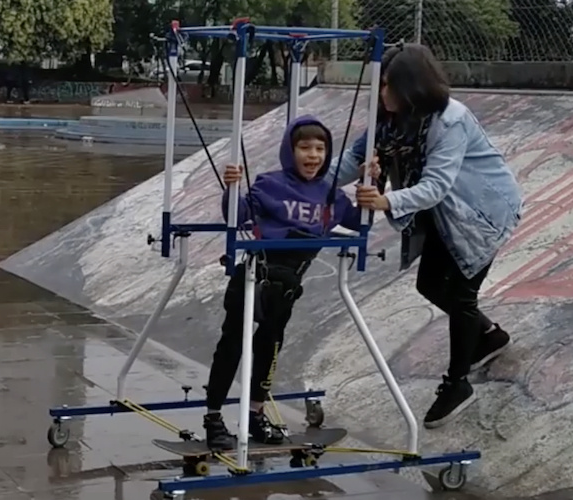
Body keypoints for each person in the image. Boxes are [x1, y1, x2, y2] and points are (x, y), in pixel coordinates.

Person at [332, 44, 523, 429]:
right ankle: (488, 337)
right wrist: (299, 185)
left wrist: (385, 200)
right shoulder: (389, 120)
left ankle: (457, 385)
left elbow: (436, 185)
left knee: (461, 293)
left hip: (480, 213)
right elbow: (352, 160)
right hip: (445, 215)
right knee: (430, 285)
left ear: (411, 87)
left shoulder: (449, 121)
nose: (381, 94)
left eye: (387, 87)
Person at [203, 115, 380, 450]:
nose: (313, 156)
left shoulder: (332, 197)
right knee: (232, 345)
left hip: (286, 287)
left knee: (269, 346)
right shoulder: (270, 184)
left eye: (320, 148)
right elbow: (237, 216)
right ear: (290, 150)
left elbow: (361, 222)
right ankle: (213, 418)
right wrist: (232, 188)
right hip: (254, 275)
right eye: (305, 148)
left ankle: (255, 414)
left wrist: (371, 185)